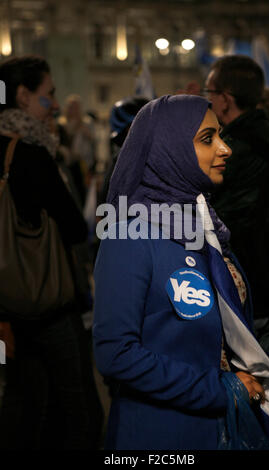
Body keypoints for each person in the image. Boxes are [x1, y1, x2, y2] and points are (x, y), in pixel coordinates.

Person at [93, 94, 269, 450]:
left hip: (222, 429)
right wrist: (219, 389)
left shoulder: (205, 227)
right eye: (207, 138)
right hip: (163, 435)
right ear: (168, 150)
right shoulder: (130, 236)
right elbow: (116, 354)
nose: (225, 149)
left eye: (221, 135)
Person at [0, 55, 103, 449]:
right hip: (49, 302)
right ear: (23, 97)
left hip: (7, 307)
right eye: (49, 95)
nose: (55, 106)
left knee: (21, 398)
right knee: (78, 406)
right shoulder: (32, 152)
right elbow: (76, 226)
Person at [205, 55, 269, 354]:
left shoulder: (234, 149)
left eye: (209, 93)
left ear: (224, 100)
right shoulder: (266, 133)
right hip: (265, 282)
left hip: (242, 286)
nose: (207, 101)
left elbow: (214, 215)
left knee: (246, 384)